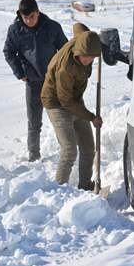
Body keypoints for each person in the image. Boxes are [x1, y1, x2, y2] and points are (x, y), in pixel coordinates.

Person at [3, 0, 68, 161]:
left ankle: (67, 151)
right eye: (25, 17)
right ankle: (34, 156)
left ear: (38, 12)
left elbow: (65, 51)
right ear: (20, 15)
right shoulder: (15, 30)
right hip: (32, 82)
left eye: (31, 16)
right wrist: (20, 72)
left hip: (53, 82)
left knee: (61, 119)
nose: (28, 20)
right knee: (34, 122)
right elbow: (9, 52)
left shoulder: (53, 27)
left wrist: (62, 73)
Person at [41, 23, 103, 190]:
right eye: (85, 57)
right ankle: (58, 192)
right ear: (78, 52)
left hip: (74, 100)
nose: (88, 60)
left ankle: (85, 186)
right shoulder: (65, 68)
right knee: (69, 150)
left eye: (92, 57)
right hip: (57, 103)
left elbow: (78, 27)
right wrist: (91, 117)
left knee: (89, 147)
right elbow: (65, 101)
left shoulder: (82, 42)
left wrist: (98, 43)